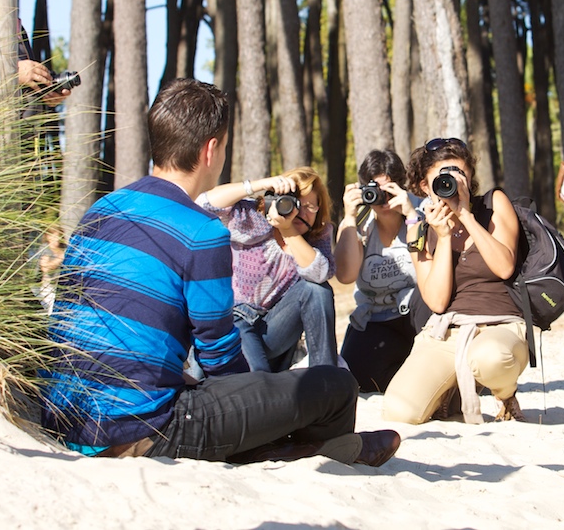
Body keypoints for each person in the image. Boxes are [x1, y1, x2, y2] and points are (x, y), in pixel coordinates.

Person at [41, 80, 399, 467]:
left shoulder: (102, 209)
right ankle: (310, 446)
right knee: (337, 386)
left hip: (65, 416)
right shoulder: (201, 230)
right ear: (211, 149)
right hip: (140, 429)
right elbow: (220, 359)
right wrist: (263, 399)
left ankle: (288, 445)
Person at [382, 138, 529, 424]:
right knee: (400, 411)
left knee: (490, 358)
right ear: (425, 185)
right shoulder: (419, 232)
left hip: (501, 326)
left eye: (459, 173)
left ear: (470, 176)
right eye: (442, 177)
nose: (452, 182)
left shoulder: (493, 204)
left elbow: (504, 267)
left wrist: (466, 216)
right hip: (448, 331)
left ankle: (506, 394)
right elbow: (437, 301)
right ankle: (450, 391)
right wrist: (445, 236)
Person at [197, 167, 338, 372]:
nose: (300, 212)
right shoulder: (253, 219)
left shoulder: (317, 236)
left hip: (273, 329)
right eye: (295, 202)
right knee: (260, 382)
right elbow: (204, 203)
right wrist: (259, 184)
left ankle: (326, 380)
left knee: (318, 290)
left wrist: (287, 230)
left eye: (310, 207)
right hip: (234, 321)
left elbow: (320, 274)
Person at [336, 149, 427, 392]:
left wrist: (410, 216)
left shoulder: (421, 209)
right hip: (375, 316)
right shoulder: (359, 222)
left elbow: (435, 266)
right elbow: (345, 276)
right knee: (358, 379)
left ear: (402, 186)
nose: (383, 200)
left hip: (418, 311)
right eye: (375, 191)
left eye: (389, 190)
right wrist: (349, 216)